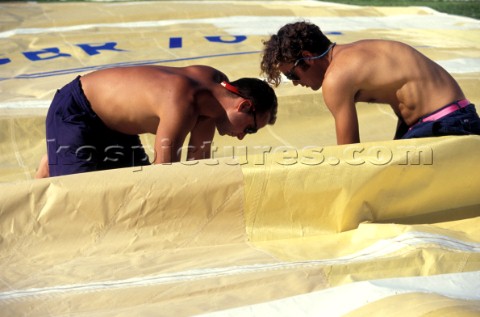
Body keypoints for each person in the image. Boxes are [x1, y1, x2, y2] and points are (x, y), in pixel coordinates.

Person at [35, 65, 277, 178]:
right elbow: (163, 175)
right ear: (243, 105)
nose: (243, 136)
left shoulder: (214, 96)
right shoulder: (183, 101)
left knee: (127, 198)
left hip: (118, 129)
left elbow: (198, 167)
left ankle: (60, 159)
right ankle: (53, 163)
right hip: (77, 111)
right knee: (80, 202)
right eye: (250, 128)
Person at [260, 21, 480, 145]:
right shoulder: (359, 50)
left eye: (292, 75)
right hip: (459, 117)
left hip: (445, 125)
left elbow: (349, 153)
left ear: (307, 57)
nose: (296, 84)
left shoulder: (336, 78)